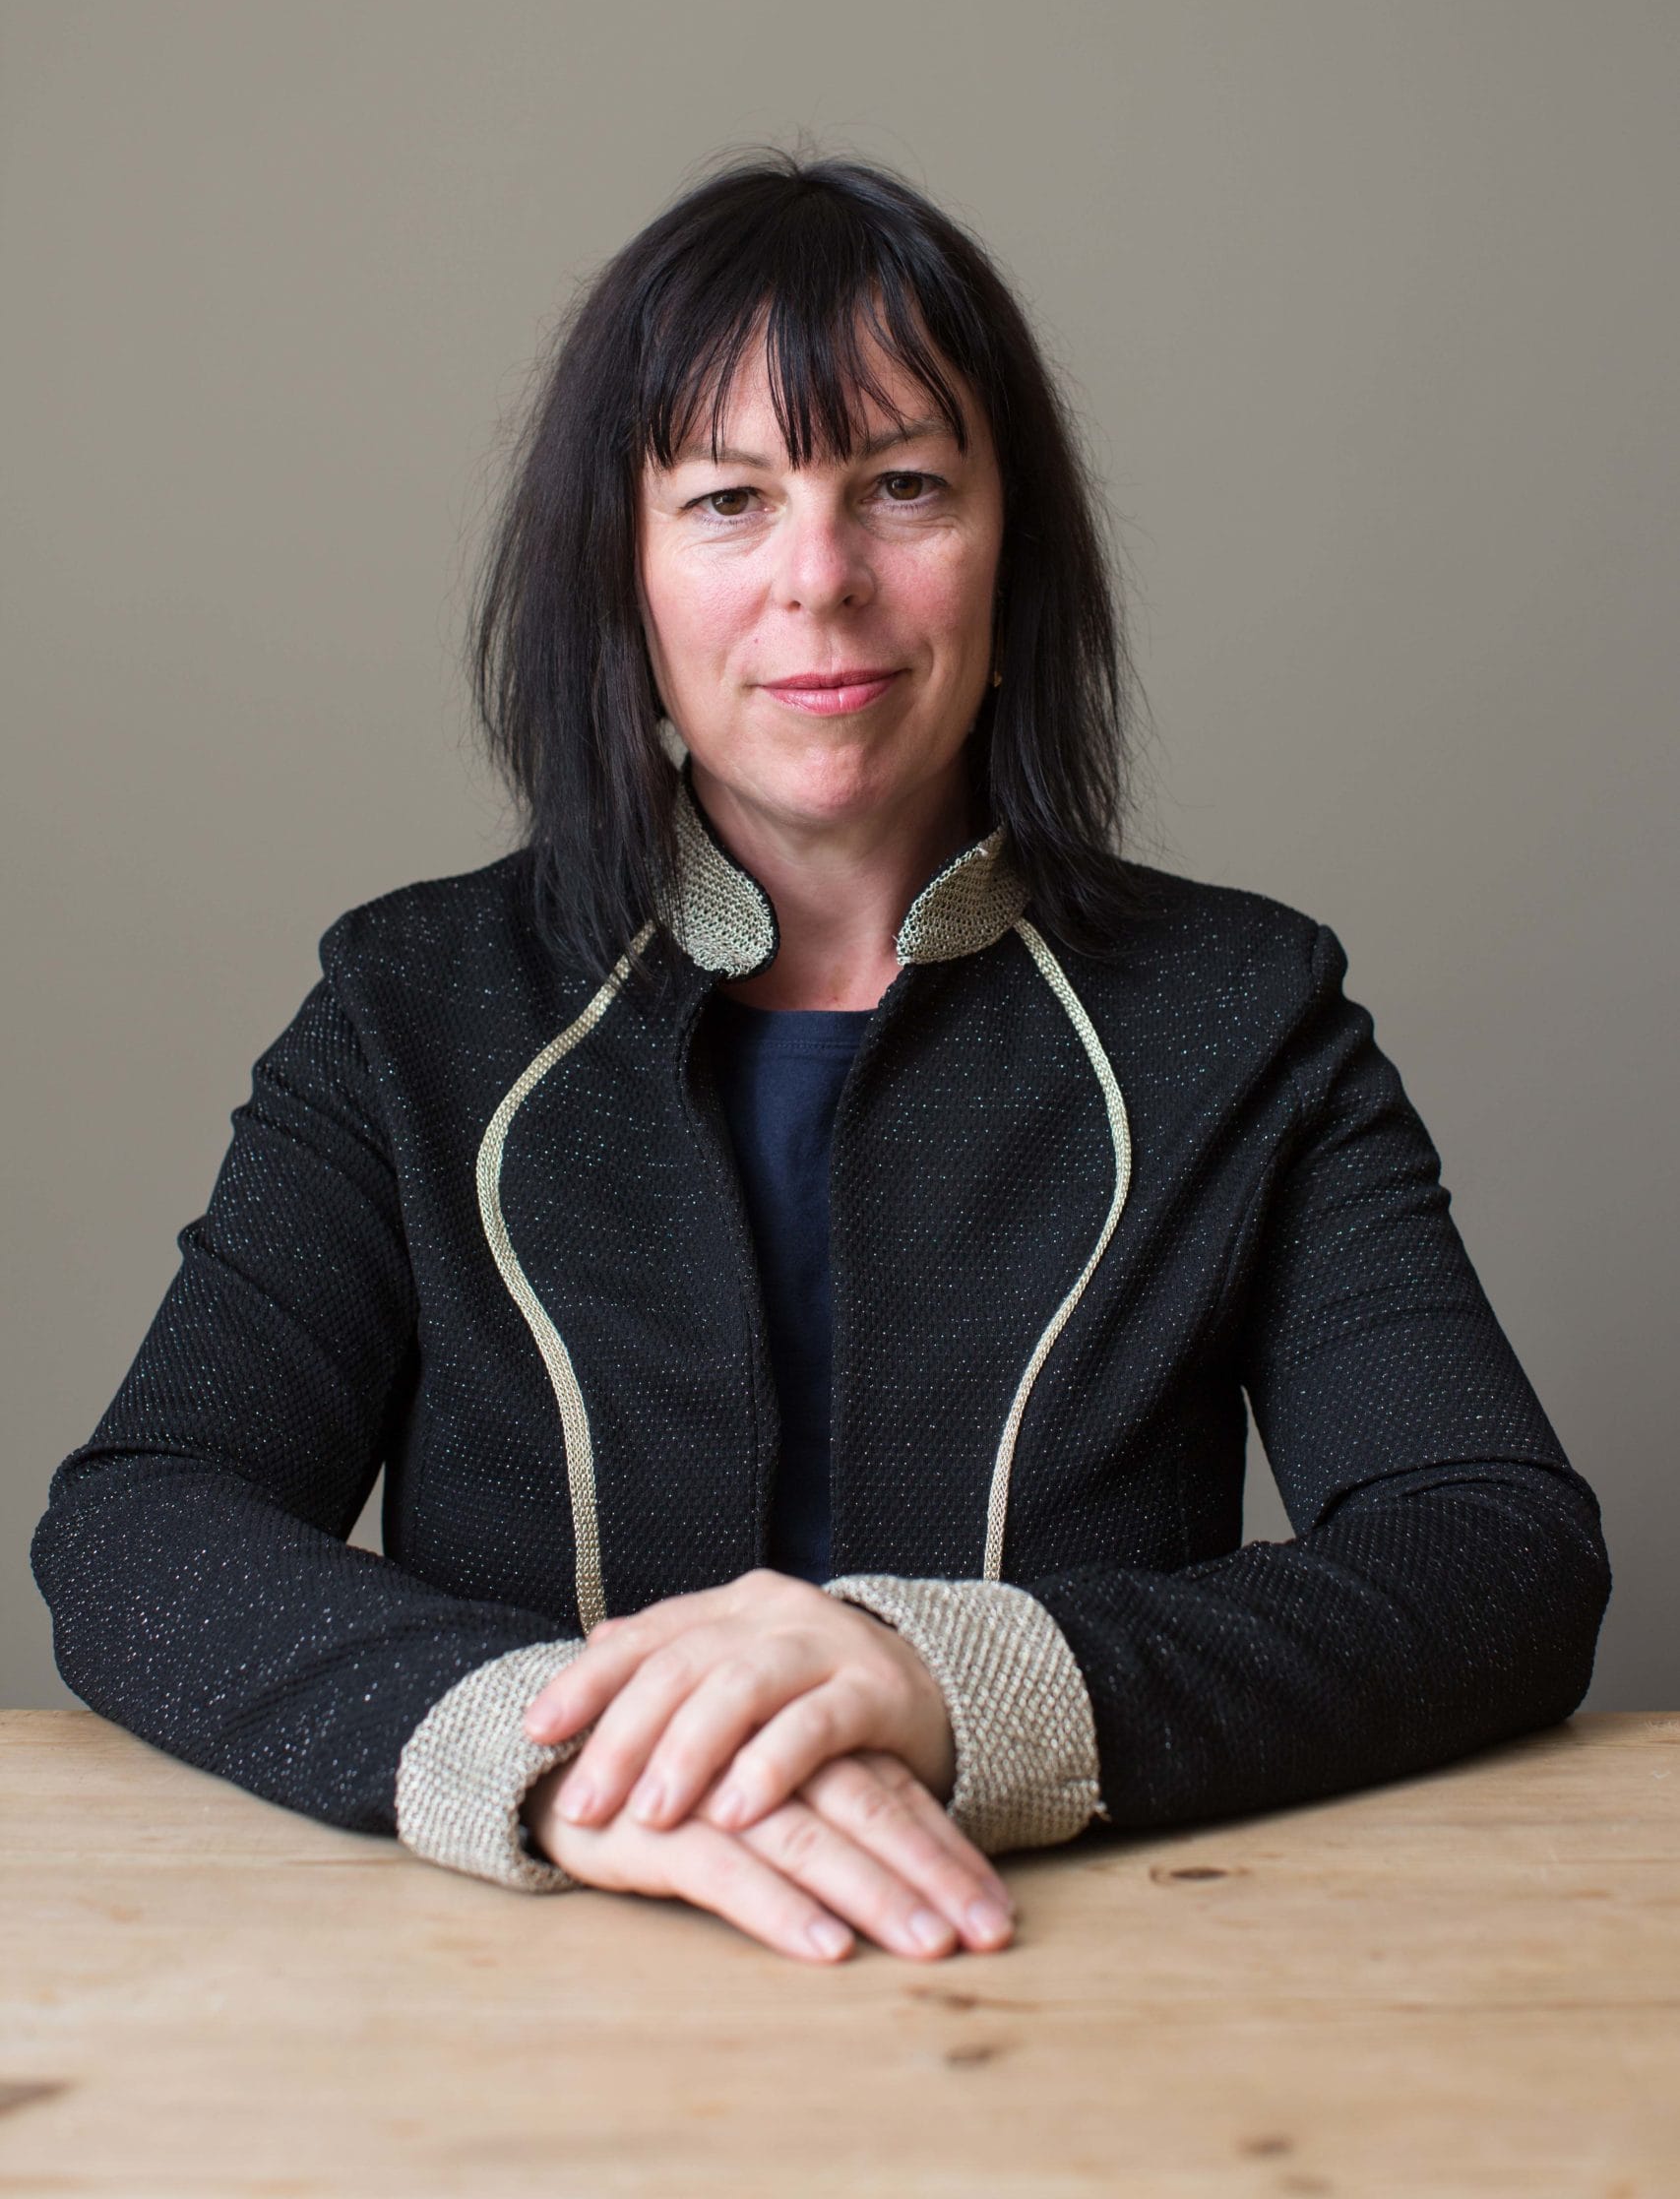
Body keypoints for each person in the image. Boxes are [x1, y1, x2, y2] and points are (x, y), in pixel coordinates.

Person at [32, 151, 1611, 1969]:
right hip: (514, 1991)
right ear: (621, 578)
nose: (821, 581)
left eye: (904, 487)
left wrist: (939, 1680)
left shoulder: (1242, 1016)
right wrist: (568, 1758)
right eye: (728, 500)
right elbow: (141, 1528)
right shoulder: (411, 1008)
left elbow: (1496, 1550)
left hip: (1077, 1977)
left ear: (1014, 551)